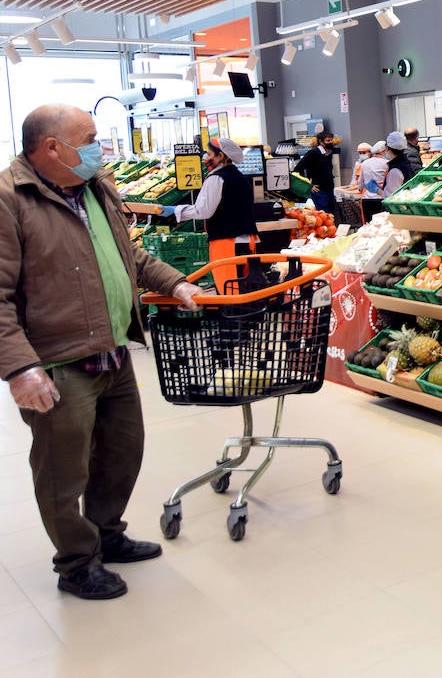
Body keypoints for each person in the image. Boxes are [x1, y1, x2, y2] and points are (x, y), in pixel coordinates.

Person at [0, 104, 201, 601]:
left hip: (112, 350)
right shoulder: (10, 199)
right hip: (57, 360)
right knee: (63, 470)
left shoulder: (92, 189)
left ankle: (107, 535)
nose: (100, 147)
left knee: (121, 453)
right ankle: (76, 563)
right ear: (51, 148)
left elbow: (128, 253)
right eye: (89, 138)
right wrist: (21, 368)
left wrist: (174, 283)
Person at [161, 137, 257, 294]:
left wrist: (176, 210)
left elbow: (203, 211)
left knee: (230, 292)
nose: (206, 157)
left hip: (227, 244)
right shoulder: (240, 177)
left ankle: (234, 318)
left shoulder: (217, 178)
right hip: (246, 242)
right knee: (244, 290)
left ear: (221, 156)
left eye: (210, 154)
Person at [293, 134, 337, 214]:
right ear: (321, 142)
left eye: (331, 140)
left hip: (330, 189)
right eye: (328, 140)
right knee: (323, 215)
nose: (331, 142)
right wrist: (308, 185)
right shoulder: (313, 153)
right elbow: (297, 169)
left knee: (331, 215)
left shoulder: (329, 153)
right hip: (319, 191)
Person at [359, 139, 401, 221]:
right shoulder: (387, 163)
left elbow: (360, 183)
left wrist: (360, 190)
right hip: (381, 198)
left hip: (366, 199)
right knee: (382, 225)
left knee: (369, 225)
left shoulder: (364, 163)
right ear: (384, 151)